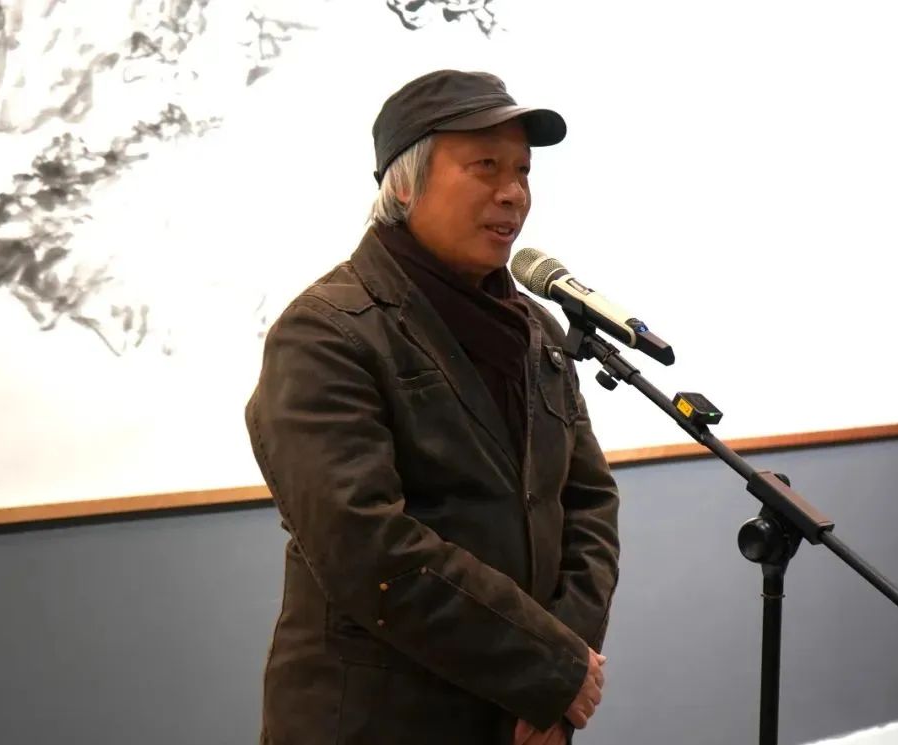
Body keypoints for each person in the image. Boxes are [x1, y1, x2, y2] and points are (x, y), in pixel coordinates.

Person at [244, 68, 621, 745]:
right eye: (485, 166)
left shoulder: (536, 328)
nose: (513, 193)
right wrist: (546, 667)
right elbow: (366, 545)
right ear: (404, 183)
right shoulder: (327, 331)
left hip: (521, 716)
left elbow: (587, 502)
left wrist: (561, 679)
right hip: (377, 718)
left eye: (523, 171)